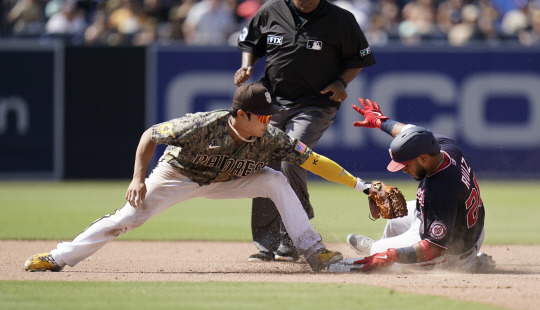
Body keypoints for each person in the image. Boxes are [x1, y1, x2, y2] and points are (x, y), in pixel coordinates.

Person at [24, 83, 370, 273]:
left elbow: (315, 161)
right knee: (127, 219)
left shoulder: (273, 138)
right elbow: (150, 135)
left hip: (232, 179)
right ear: (241, 114)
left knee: (275, 180)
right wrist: (137, 178)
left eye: (270, 116)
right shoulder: (203, 124)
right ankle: (59, 257)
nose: (269, 122)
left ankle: (314, 253)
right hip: (178, 176)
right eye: (262, 117)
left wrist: (362, 186)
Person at [234, 0, 376, 262]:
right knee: (265, 164)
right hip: (272, 101)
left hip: (315, 104)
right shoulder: (271, 10)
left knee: (292, 153)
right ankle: (267, 243)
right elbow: (250, 42)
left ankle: (293, 235)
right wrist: (247, 64)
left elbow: (360, 57)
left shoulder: (340, 19)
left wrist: (342, 81)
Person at [341, 98, 493, 273]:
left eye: (406, 164)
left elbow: (435, 248)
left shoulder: (441, 189)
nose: (403, 170)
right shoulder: (443, 147)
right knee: (394, 221)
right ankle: (383, 248)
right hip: (464, 223)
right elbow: (410, 132)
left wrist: (391, 255)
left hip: (453, 251)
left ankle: (469, 263)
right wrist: (380, 121)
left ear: (423, 158)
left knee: (381, 254)